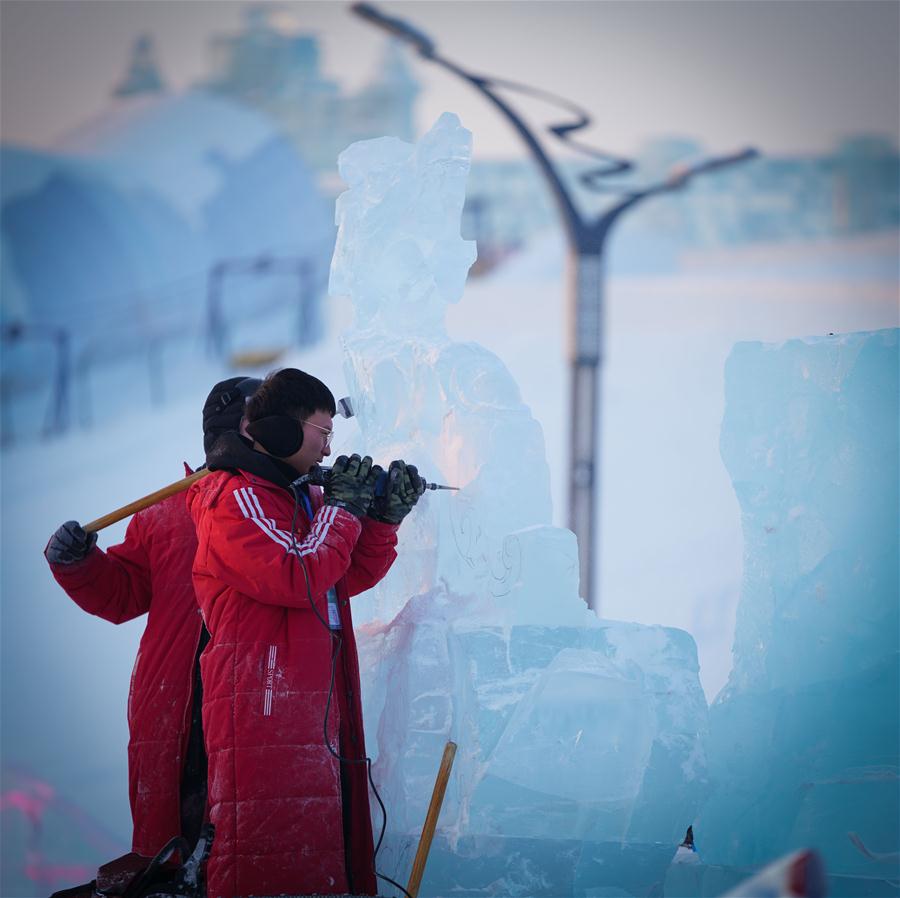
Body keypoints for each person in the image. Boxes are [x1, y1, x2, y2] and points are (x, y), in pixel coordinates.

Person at [188, 367, 423, 898]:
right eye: (322, 434)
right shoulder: (234, 500)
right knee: (270, 848)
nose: (326, 449)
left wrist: (380, 518)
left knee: (324, 848)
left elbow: (339, 576)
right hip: (263, 698)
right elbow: (299, 572)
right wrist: (343, 507)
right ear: (281, 433)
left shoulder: (294, 497)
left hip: (312, 694)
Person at [43, 376, 260, 880]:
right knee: (179, 839)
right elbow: (123, 592)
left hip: (251, 691)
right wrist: (79, 564)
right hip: (174, 704)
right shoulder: (167, 512)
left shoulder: (281, 501)